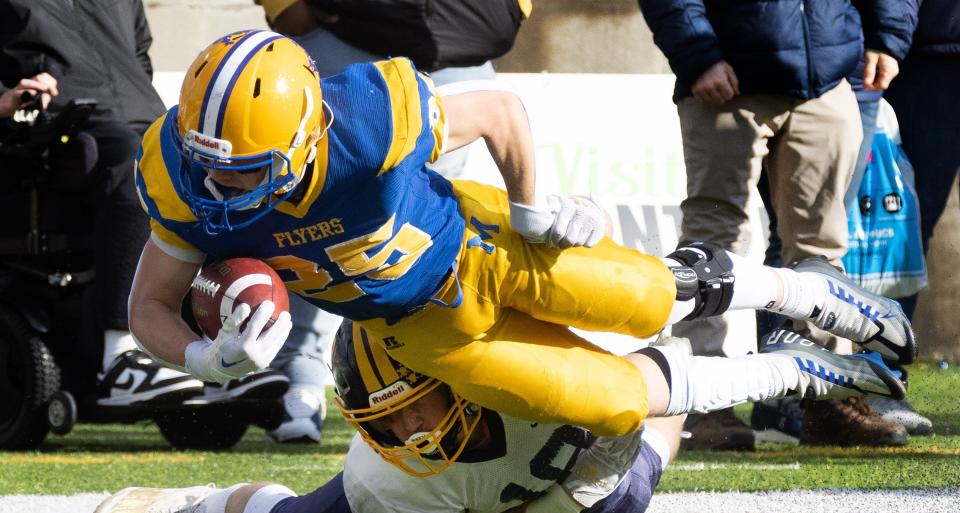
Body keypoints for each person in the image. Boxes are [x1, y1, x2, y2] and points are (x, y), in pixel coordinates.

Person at [129, 31, 914, 445]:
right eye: (205, 165)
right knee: (608, 402)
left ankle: (804, 291)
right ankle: (796, 373)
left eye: (244, 170)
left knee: (644, 298)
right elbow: (149, 306)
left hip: (477, 241)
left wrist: (533, 206)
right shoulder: (183, 171)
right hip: (422, 331)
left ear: (305, 138)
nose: (217, 186)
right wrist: (204, 358)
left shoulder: (368, 119)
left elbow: (500, 113)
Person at [89, 319, 893, 513]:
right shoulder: (389, 474)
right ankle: (204, 505)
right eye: (385, 418)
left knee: (619, 501)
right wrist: (552, 507)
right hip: (442, 506)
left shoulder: (535, 374)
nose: (408, 429)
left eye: (416, 405)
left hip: (559, 431)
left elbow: (669, 360)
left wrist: (610, 457)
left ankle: (643, 443)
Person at [637, 0, 918, 450]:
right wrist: (698, 55)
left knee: (822, 249)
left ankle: (828, 404)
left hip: (827, 80)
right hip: (725, 80)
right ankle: (704, 406)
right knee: (712, 247)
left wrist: (888, 35)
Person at [251, 0, 529, 444]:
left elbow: (499, 112)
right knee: (309, 214)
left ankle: (430, 386)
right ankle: (300, 374)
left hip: (455, 45)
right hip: (349, 40)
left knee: (431, 235)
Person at [0, 0, 206, 406]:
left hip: (141, 116)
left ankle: (214, 348)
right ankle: (121, 355)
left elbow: (138, 54)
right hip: (56, 128)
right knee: (130, 157)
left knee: (218, 165)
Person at [881, 0, 960, 433]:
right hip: (924, 55)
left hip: (928, 50)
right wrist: (888, 37)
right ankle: (878, 376)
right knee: (902, 223)